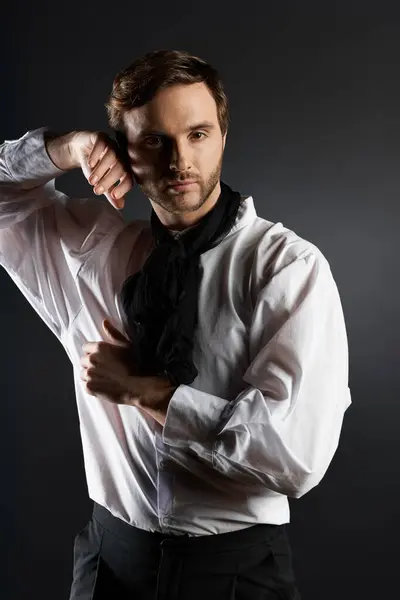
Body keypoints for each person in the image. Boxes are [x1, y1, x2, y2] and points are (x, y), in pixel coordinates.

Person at [0, 49, 351, 599]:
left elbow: (296, 455)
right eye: (154, 141)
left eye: (198, 133)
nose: (179, 160)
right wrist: (68, 148)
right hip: (108, 565)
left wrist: (147, 393)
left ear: (223, 136)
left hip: (236, 571)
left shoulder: (287, 267)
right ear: (123, 152)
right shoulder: (94, 252)